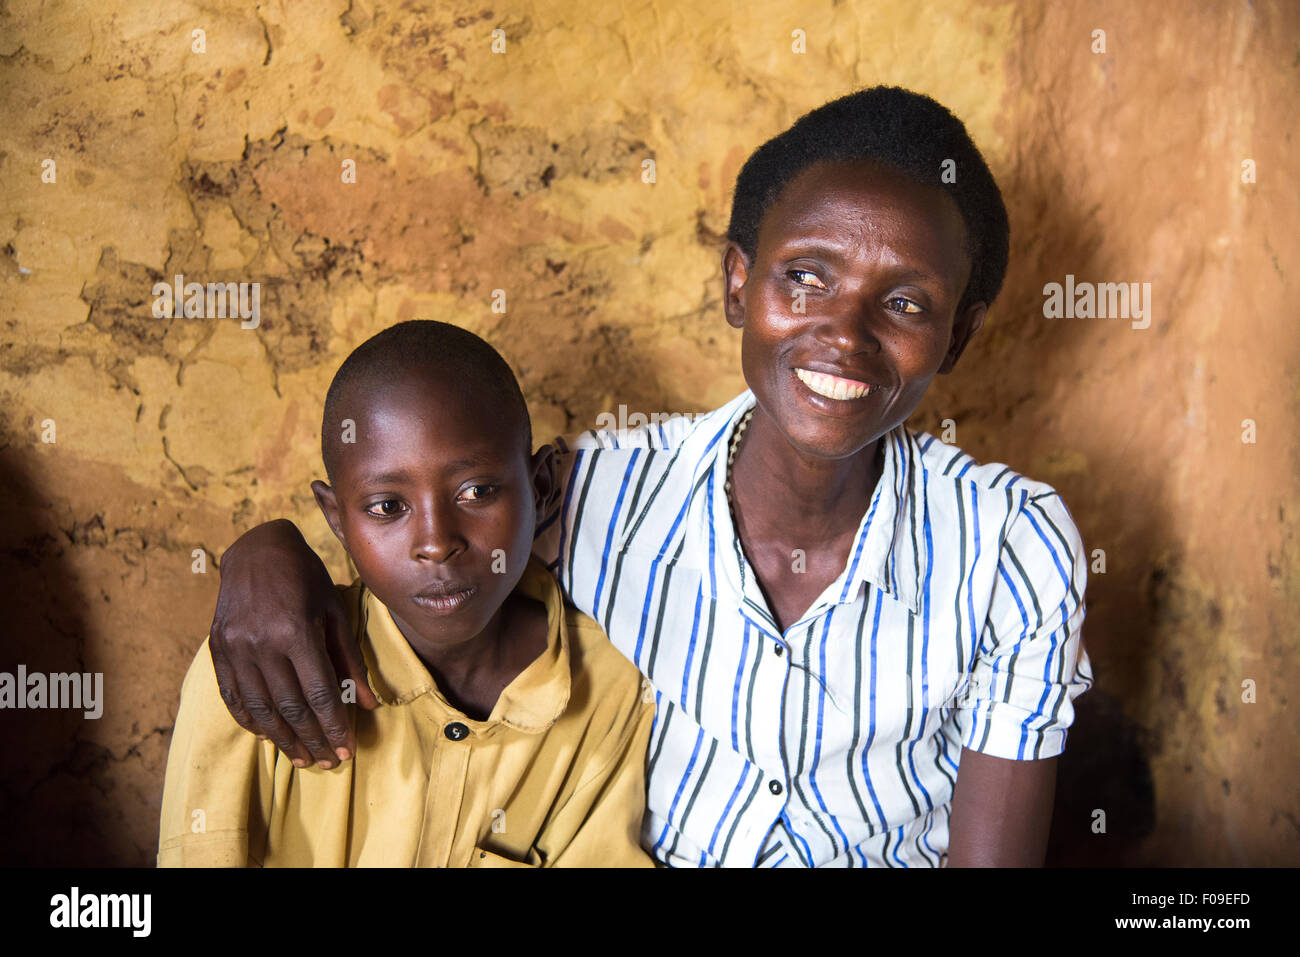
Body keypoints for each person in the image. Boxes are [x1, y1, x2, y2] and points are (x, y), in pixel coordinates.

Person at [206, 85, 1093, 867]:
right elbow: (426, 539)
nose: (846, 334)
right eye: (806, 278)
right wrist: (268, 550)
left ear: (961, 334)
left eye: (905, 303)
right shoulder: (598, 496)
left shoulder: (1009, 548)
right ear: (737, 285)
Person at [158, 321, 656, 867]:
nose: (437, 543)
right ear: (337, 519)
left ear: (538, 490)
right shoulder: (259, 662)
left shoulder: (611, 687)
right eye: (387, 507)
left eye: (477, 491)